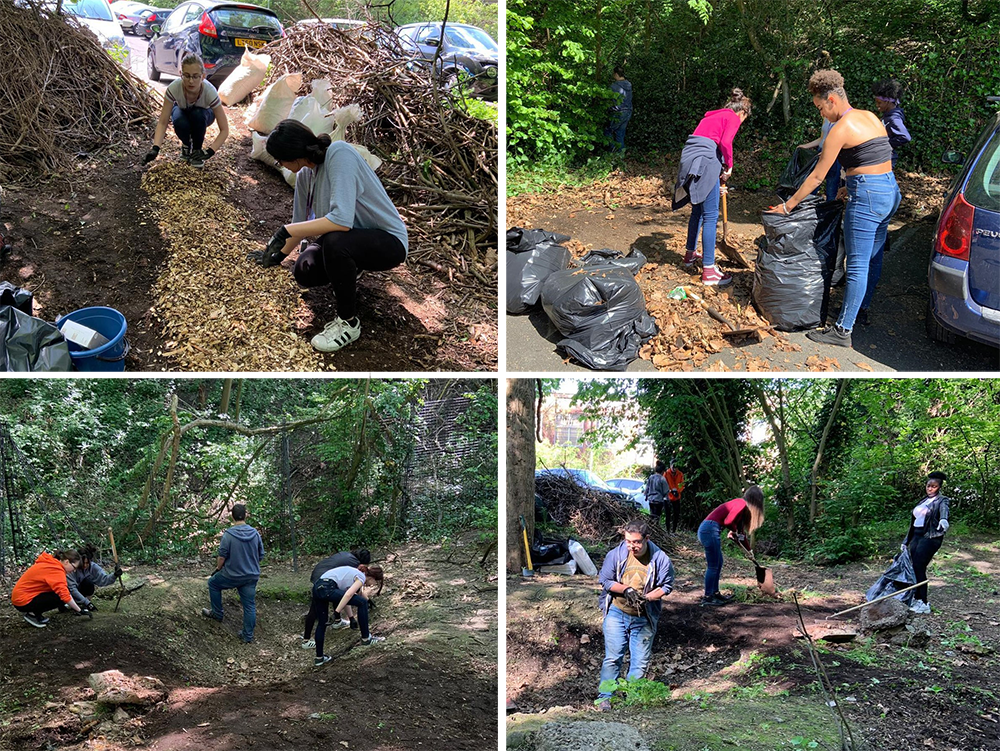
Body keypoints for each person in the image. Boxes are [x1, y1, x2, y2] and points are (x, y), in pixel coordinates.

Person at [765, 69, 901, 348]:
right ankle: (859, 310)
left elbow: (817, 176)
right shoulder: (870, 116)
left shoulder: (840, 129)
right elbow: (874, 156)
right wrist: (849, 184)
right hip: (889, 190)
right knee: (873, 258)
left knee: (857, 265)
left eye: (820, 108)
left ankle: (842, 330)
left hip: (868, 197)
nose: (821, 115)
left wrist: (789, 206)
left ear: (831, 100)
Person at [257, 120, 409, 353]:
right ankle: (351, 268)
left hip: (388, 241)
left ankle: (348, 323)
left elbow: (341, 220)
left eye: (281, 160)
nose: (282, 165)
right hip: (351, 240)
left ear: (293, 155)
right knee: (304, 271)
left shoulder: (340, 154)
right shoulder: (305, 176)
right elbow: (299, 224)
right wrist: (276, 255)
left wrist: (286, 231)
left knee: (336, 243)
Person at [672, 89, 753, 287]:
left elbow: (710, 144)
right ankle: (709, 271)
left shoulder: (713, 117)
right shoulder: (733, 117)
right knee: (710, 216)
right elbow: (725, 143)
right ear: (743, 112)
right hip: (706, 160)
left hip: (691, 159)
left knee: (697, 210)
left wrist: (719, 175)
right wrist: (730, 165)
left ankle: (690, 254)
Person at [596, 519, 674, 711]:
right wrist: (626, 590)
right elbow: (605, 580)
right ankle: (605, 696)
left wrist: (647, 598)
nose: (632, 546)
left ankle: (632, 697)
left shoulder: (660, 558)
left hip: (644, 616)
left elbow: (666, 587)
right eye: (629, 541)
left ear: (647, 539)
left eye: (637, 542)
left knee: (639, 661)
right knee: (613, 657)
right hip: (617, 611)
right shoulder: (616, 554)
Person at [143, 54, 229, 169]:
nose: (191, 81)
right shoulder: (174, 88)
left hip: (204, 115)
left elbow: (224, 129)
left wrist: (209, 152)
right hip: (183, 112)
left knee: (197, 114)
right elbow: (163, 122)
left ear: (203, 76)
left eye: (195, 76)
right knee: (179, 120)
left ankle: (197, 151)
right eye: (187, 76)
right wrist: (155, 148)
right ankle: (186, 145)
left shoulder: (210, 91)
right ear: (181, 74)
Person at [201, 504, 264, 643]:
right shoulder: (255, 533)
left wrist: (218, 568)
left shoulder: (228, 535)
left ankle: (217, 614)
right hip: (251, 575)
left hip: (232, 575)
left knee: (213, 583)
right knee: (249, 605)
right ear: (246, 515)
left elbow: (222, 556)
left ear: (232, 516)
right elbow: (261, 555)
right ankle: (247, 636)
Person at [697, 485, 765, 607]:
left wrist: (750, 551)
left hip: (711, 530)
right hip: (709, 529)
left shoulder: (743, 511)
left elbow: (741, 534)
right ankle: (708, 597)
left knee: (718, 563)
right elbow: (728, 521)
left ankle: (715, 593)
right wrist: (733, 531)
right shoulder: (741, 503)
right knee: (713, 565)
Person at [311, 564, 386, 666]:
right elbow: (348, 595)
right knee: (362, 602)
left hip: (317, 587)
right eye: (375, 582)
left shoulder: (352, 575)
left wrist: (351, 618)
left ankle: (319, 658)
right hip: (328, 587)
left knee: (322, 623)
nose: (373, 585)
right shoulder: (361, 577)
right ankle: (366, 638)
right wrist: (336, 612)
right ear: (372, 576)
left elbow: (345, 597)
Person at [300, 548, 372, 648]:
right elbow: (349, 592)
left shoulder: (347, 555)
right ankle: (306, 640)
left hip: (320, 572)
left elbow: (343, 589)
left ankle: (337, 621)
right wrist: (365, 601)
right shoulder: (354, 564)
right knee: (315, 609)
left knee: (336, 594)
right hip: (323, 578)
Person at [901, 471, 949, 614]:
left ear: (939, 487)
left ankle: (924, 602)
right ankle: (915, 598)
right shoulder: (922, 501)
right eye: (928, 486)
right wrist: (906, 541)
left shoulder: (942, 500)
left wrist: (943, 519)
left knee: (919, 566)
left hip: (930, 537)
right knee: (913, 567)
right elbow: (913, 523)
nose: (930, 489)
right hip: (916, 536)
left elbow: (944, 511)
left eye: (933, 486)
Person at [11, 549, 84, 627]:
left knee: (61, 593)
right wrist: (79, 610)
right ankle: (32, 614)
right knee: (60, 597)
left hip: (21, 598)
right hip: (22, 601)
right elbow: (64, 595)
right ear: (66, 562)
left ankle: (35, 613)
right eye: (74, 567)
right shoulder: (56, 570)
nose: (74, 570)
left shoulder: (51, 563)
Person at [65, 543, 121, 612]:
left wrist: (115, 575)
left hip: (84, 594)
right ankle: (72, 604)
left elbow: (104, 579)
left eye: (87, 563)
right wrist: (88, 603)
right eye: (83, 563)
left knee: (89, 582)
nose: (85, 565)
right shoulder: (71, 569)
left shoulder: (94, 567)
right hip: (70, 594)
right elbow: (72, 589)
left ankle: (83, 604)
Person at [797, 117, 841, 202]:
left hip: (834, 155)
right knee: (813, 182)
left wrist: (828, 152)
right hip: (820, 151)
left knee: (831, 184)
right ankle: (806, 207)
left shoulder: (843, 120)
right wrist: (806, 146)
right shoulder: (826, 118)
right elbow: (822, 138)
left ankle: (830, 211)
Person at [872, 79, 911, 167]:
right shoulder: (887, 116)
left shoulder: (893, 119)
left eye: (879, 103)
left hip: (888, 158)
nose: (877, 105)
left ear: (888, 102)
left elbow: (905, 137)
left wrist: (886, 143)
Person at [604, 66, 633, 153]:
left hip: (618, 112)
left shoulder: (614, 86)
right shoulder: (629, 84)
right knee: (620, 133)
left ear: (616, 74)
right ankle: (620, 155)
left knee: (607, 131)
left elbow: (608, 99)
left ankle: (611, 151)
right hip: (628, 111)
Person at [644, 461, 669, 526]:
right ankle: (655, 528)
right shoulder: (662, 479)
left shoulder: (651, 477)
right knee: (657, 517)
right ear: (663, 471)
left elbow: (647, 488)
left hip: (651, 500)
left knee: (652, 515)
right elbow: (665, 491)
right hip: (658, 500)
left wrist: (646, 496)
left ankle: (651, 528)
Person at [663, 461, 685, 534]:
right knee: (668, 515)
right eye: (673, 467)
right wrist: (670, 491)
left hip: (677, 497)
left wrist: (677, 491)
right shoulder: (666, 474)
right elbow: (664, 484)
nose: (674, 469)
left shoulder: (680, 474)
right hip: (668, 497)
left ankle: (674, 531)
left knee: (676, 514)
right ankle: (668, 530)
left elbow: (682, 484)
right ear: (670, 466)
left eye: (676, 467)